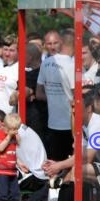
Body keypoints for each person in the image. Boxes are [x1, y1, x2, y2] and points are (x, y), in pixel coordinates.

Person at [36, 29, 75, 161]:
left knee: (56, 162)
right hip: (68, 123)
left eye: (55, 43)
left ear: (62, 43)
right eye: (49, 43)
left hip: (59, 122)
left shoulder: (45, 64)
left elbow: (39, 93)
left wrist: (53, 96)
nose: (52, 47)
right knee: (68, 162)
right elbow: (77, 95)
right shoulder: (71, 64)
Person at [0, 113, 21, 201]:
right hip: (1, 171)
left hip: (12, 170)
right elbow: (0, 148)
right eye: (12, 129)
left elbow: (19, 145)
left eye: (16, 129)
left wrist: (16, 135)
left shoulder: (14, 136)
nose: (14, 131)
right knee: (3, 194)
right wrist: (8, 136)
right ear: (5, 126)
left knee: (15, 194)